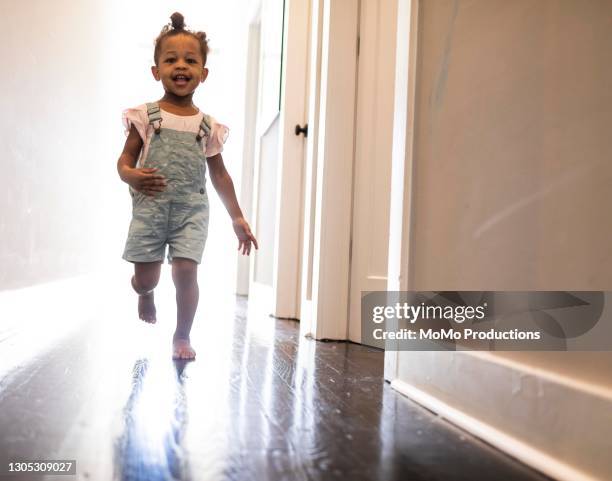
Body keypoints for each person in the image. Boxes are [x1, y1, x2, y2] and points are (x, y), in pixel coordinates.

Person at [116, 12, 258, 360]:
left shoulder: (207, 126)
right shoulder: (145, 117)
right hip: (150, 210)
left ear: (203, 73)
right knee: (146, 278)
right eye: (171, 60)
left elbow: (220, 175)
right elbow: (124, 163)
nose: (181, 66)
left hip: (190, 211)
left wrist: (237, 218)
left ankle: (182, 335)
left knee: (185, 270)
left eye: (190, 60)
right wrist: (130, 175)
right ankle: (145, 293)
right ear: (156, 71)